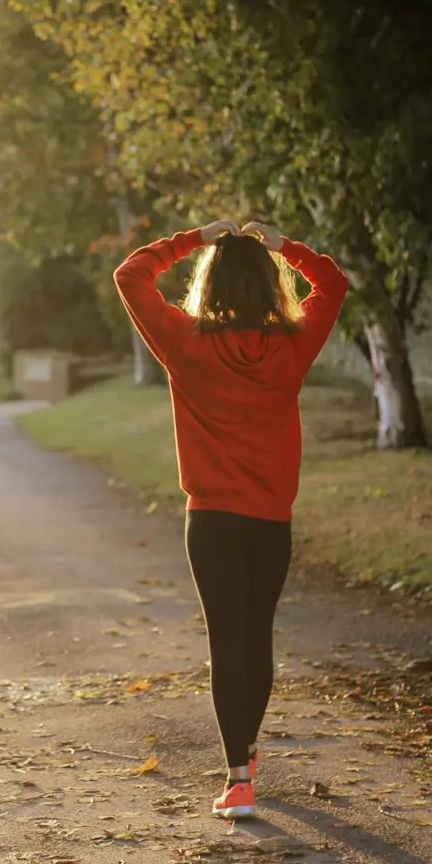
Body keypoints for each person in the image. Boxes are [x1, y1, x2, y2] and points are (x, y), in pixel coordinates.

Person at [113, 217, 350, 819]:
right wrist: (284, 246)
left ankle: (239, 778)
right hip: (271, 520)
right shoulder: (293, 345)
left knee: (227, 641)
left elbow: (131, 274)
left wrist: (194, 238)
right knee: (257, 636)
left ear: (210, 284)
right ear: (270, 286)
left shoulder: (184, 342)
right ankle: (243, 752)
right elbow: (333, 282)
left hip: (212, 520)